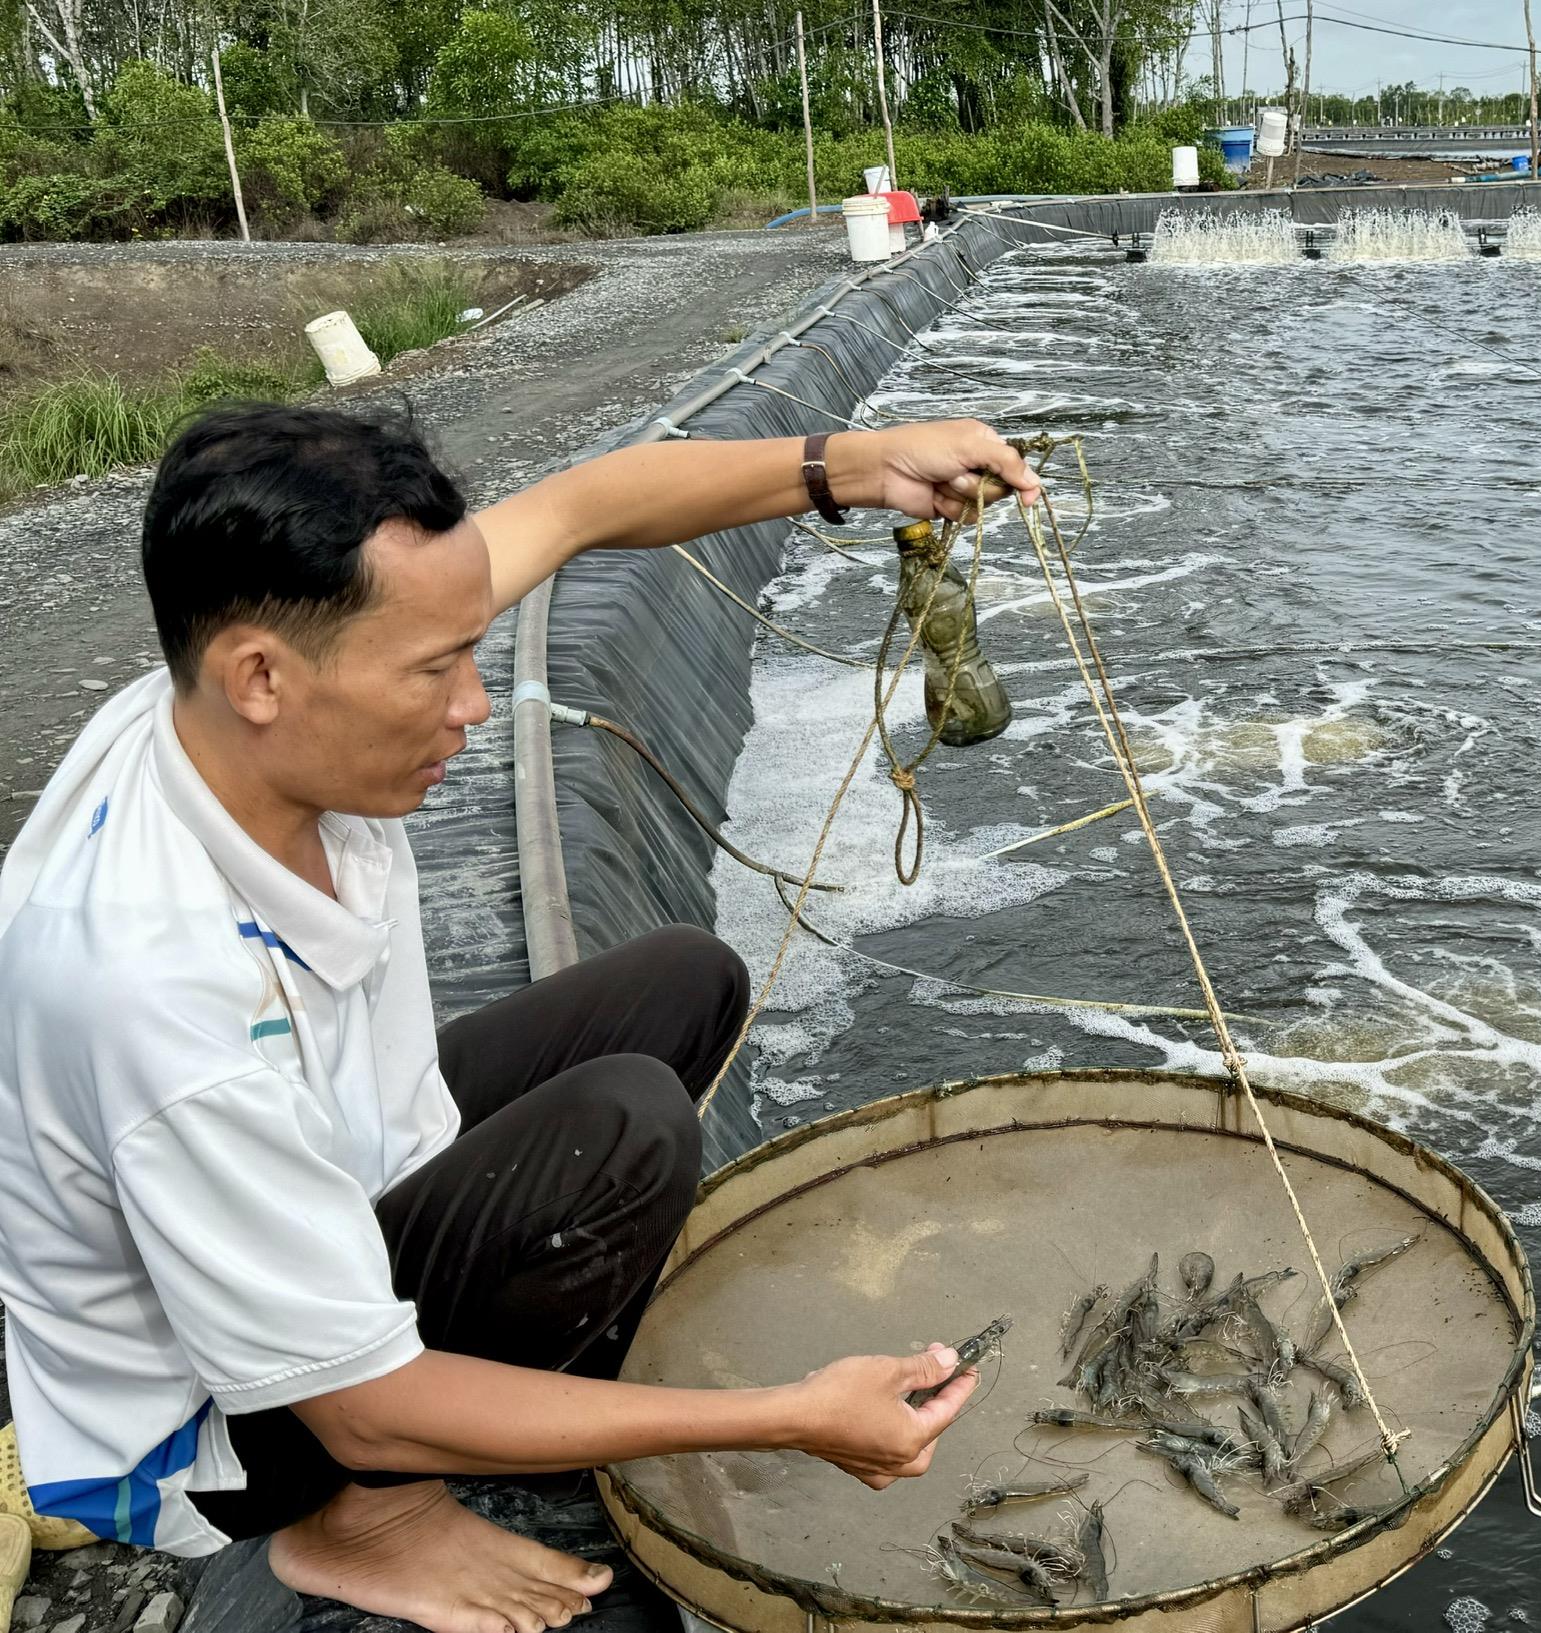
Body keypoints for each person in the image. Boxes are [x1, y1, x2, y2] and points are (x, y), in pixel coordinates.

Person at [0, 402, 1043, 1633]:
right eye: (436, 671)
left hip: (329, 1181)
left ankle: (496, 1394)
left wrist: (853, 468)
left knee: (683, 979)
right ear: (262, 677)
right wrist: (793, 1416)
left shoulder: (234, 700)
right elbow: (359, 1405)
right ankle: (367, 1525)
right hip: (204, 1429)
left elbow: (590, 504)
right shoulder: (146, 982)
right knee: (629, 1125)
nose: (476, 708)